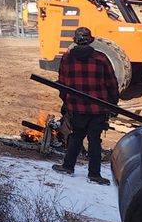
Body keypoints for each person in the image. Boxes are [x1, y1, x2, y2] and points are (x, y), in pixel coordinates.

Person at [51, 26, 120, 185]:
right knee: (94, 140)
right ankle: (94, 175)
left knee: (76, 137)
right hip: (98, 108)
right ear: (90, 40)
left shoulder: (67, 59)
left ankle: (68, 167)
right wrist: (113, 103)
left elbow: (62, 85)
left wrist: (66, 103)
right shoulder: (101, 58)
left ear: (75, 41)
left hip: (76, 108)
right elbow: (112, 83)